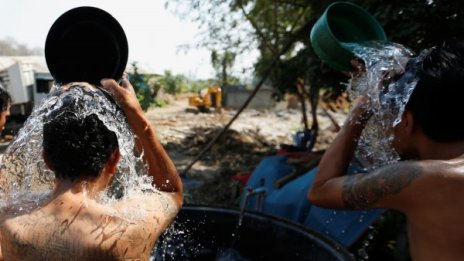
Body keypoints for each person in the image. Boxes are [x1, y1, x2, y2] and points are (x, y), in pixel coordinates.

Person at [308, 39, 464, 260]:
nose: (384, 122)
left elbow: (320, 189)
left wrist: (363, 104)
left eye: (389, 112)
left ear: (407, 121)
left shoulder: (425, 178)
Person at [0, 78, 183, 260]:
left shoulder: (8, 220)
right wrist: (135, 112)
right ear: (115, 159)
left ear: (46, 158)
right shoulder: (127, 226)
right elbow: (170, 190)